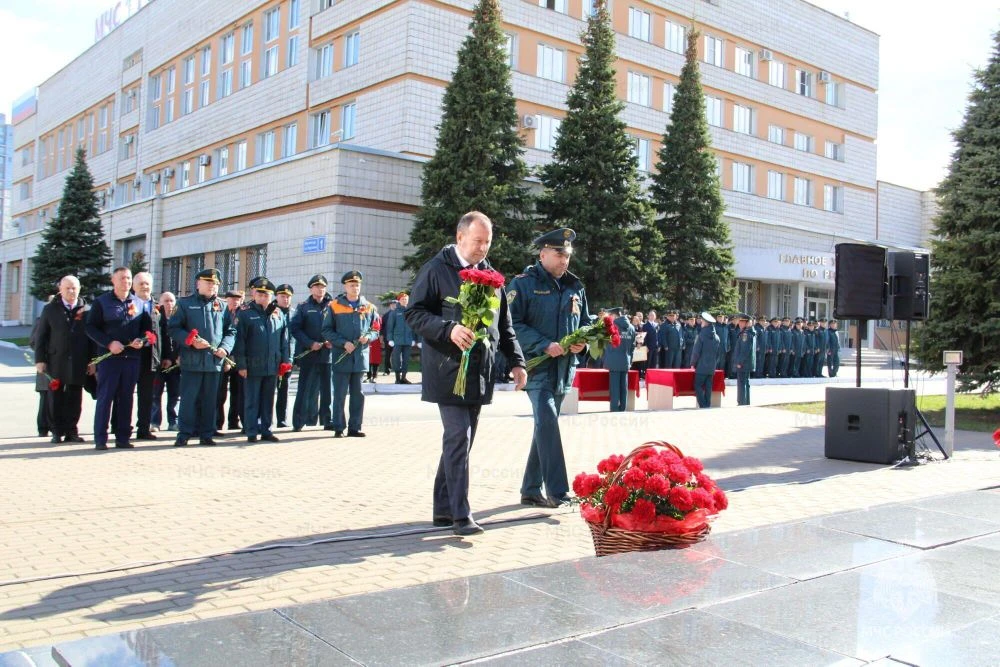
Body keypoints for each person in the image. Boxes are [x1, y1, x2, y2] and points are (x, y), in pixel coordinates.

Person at [405, 211, 526, 536]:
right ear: (460, 237)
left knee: (461, 441)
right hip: (446, 370)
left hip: (478, 372)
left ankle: (442, 509)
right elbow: (414, 313)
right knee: (459, 436)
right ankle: (461, 515)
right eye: (478, 241)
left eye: (488, 242)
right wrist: (449, 329)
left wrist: (517, 362)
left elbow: (504, 325)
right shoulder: (436, 269)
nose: (483, 248)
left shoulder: (492, 277)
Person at [508, 227, 589, 509]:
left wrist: (582, 343)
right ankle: (558, 492)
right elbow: (511, 325)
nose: (564, 260)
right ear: (543, 254)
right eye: (559, 254)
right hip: (537, 369)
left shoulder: (575, 286)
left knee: (544, 426)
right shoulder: (522, 284)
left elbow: (585, 322)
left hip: (564, 370)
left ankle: (531, 490)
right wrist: (543, 344)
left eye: (567, 255)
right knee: (549, 423)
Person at [168, 268, 237, 447]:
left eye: (215, 284)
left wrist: (225, 348)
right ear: (198, 283)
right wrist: (190, 341)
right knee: (189, 399)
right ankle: (184, 433)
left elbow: (231, 331)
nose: (212, 286)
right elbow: (173, 328)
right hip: (192, 360)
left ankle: (207, 433)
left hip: (214, 362)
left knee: (210, 400)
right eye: (209, 282)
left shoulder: (222, 306)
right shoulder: (184, 304)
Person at [86, 267, 151, 450]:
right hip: (110, 359)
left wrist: (141, 340)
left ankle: (123, 438)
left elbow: (147, 330)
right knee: (106, 397)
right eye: (122, 278)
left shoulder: (139, 303)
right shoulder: (102, 302)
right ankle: (101, 438)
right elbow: (90, 328)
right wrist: (108, 343)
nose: (126, 282)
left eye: (129, 278)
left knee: (126, 398)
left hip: (131, 359)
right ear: (113, 280)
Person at [34, 276, 90, 443]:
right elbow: (41, 336)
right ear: (60, 289)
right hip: (56, 359)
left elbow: (91, 337)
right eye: (67, 288)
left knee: (75, 396)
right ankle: (57, 431)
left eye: (74, 288)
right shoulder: (50, 309)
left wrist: (93, 361)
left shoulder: (86, 309)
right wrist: (40, 360)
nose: (71, 291)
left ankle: (71, 431)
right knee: (55, 396)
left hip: (78, 360)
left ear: (79, 289)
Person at [234, 278, 290, 443]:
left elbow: (284, 340)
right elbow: (239, 341)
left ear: (271, 296)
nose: (263, 297)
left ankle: (266, 430)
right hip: (252, 365)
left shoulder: (278, 313)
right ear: (254, 294)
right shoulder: (245, 313)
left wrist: (285, 361)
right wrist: (241, 365)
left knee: (268, 400)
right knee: (252, 400)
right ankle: (251, 431)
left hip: (272, 365)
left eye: (266, 295)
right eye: (260, 294)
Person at [322, 270, 375, 438]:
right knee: (339, 394)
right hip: (341, 357)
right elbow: (326, 330)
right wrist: (343, 343)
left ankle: (355, 427)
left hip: (360, 358)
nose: (355, 288)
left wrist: (368, 337)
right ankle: (338, 427)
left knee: (358, 395)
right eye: (351, 285)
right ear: (345, 287)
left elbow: (375, 329)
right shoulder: (334, 305)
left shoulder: (368, 306)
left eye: (357, 285)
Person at [290, 275, 334, 431]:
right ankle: (298, 422)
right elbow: (295, 329)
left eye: (323, 287)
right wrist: (310, 343)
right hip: (309, 354)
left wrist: (333, 341)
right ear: (311, 289)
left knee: (327, 390)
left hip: (327, 355)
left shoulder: (333, 306)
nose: (320, 289)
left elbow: (338, 327)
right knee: (304, 389)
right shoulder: (303, 307)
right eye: (317, 287)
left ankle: (327, 421)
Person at [131, 272, 161, 440]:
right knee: (125, 393)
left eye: (147, 283)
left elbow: (162, 332)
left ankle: (143, 428)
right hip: (131, 354)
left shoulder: (156, 306)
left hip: (151, 356)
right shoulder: (128, 304)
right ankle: (119, 426)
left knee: (147, 394)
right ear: (134, 286)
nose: (144, 287)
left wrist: (165, 356)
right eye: (141, 284)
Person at [216, 289, 245, 433]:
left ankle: (234, 421)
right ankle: (218, 423)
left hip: (238, 359)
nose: (235, 302)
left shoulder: (243, 314)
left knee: (238, 392)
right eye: (232, 299)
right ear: (226, 300)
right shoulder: (221, 313)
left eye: (238, 299)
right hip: (223, 357)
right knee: (220, 393)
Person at [151, 292, 179, 432]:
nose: (169, 304)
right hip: (160, 364)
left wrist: (177, 357)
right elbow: (157, 342)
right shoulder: (156, 318)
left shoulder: (179, 319)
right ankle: (154, 422)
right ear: (160, 303)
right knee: (155, 395)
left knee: (175, 395)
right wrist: (162, 358)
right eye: (166, 301)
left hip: (176, 364)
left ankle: (173, 421)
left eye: (172, 301)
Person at [602, 307, 635, 412]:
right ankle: (623, 408)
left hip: (613, 360)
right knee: (624, 386)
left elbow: (603, 342)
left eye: (610, 315)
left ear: (614, 315)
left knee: (614, 387)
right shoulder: (631, 327)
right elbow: (632, 347)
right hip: (625, 360)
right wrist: (630, 360)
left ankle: (614, 409)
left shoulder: (611, 326)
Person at [274, 283, 294, 426]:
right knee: (268, 391)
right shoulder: (271, 312)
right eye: (282, 296)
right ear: (276, 297)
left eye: (288, 297)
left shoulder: (294, 314)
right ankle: (265, 420)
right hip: (273, 358)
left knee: (284, 390)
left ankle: (282, 419)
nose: (285, 299)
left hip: (288, 359)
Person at [690, 312, 721, 409]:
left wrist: (693, 363)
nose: (701, 322)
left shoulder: (701, 335)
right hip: (711, 367)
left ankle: (703, 405)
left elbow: (696, 352)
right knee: (708, 386)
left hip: (701, 366)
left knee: (697, 385)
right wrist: (714, 363)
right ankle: (707, 404)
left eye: (702, 321)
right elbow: (718, 354)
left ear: (706, 323)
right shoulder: (717, 337)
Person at [387, 292, 417, 384]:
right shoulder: (394, 312)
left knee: (406, 360)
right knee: (396, 359)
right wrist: (390, 339)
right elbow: (390, 327)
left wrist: (414, 338)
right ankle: (397, 378)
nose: (404, 301)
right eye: (402, 299)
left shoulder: (411, 312)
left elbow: (414, 326)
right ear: (399, 300)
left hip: (408, 340)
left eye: (406, 299)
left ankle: (403, 377)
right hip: (397, 340)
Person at [733, 314, 756, 406]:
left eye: (742, 322)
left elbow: (744, 350)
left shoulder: (745, 334)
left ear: (747, 323)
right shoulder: (750, 332)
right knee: (745, 382)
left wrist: (739, 362)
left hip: (743, 363)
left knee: (742, 383)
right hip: (747, 363)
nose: (739, 323)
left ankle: (742, 402)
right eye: (739, 321)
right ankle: (746, 402)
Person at [640, 310, 659, 377]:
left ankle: (653, 375)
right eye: (651, 315)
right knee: (648, 362)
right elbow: (644, 337)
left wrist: (658, 345)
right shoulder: (645, 326)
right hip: (648, 347)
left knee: (654, 362)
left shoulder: (657, 325)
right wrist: (646, 346)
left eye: (653, 315)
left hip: (655, 347)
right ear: (648, 316)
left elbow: (658, 336)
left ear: (655, 317)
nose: (652, 316)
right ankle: (646, 375)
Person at [381, 299, 397, 376]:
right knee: (388, 354)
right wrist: (381, 337)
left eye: (395, 304)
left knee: (398, 354)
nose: (394, 305)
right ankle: (387, 370)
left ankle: (398, 370)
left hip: (398, 338)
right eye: (392, 304)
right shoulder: (386, 315)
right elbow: (382, 327)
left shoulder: (400, 314)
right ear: (390, 305)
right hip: (387, 338)